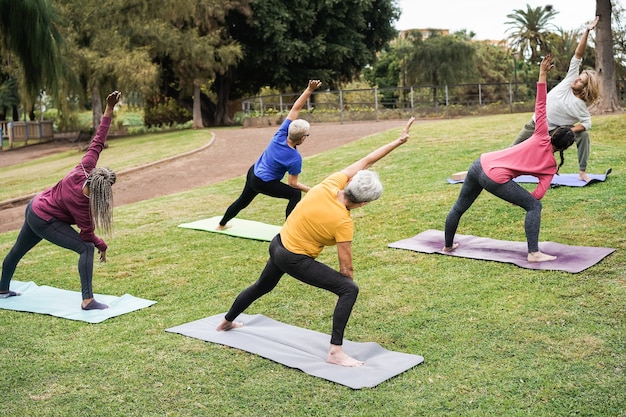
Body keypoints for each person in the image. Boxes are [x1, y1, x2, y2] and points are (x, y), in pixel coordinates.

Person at [216, 117, 416, 367]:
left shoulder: (329, 184)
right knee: (349, 289)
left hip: (278, 243)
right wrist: (345, 288)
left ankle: (227, 321)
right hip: (294, 258)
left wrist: (398, 141)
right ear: (363, 203)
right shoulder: (344, 222)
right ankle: (335, 352)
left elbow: (367, 160)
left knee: (262, 286)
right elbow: (346, 269)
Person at [443, 54, 575, 263]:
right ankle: (533, 253)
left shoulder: (541, 133)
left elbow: (541, 103)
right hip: (495, 177)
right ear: (565, 148)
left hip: (480, 163)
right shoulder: (550, 167)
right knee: (533, 207)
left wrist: (542, 73)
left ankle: (448, 246)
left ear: (553, 133)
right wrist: (523, 199)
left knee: (460, 207)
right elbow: (538, 194)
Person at [0, 91, 122, 310]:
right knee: (86, 248)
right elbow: (87, 235)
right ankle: (88, 300)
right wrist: (101, 245)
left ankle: (2, 288)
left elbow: (98, 140)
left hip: (35, 206)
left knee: (17, 250)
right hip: (45, 219)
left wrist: (109, 108)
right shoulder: (83, 206)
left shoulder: (85, 167)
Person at [217, 80, 323, 230]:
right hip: (264, 182)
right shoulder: (295, 158)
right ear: (303, 138)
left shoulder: (281, 133)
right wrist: (312, 190)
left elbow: (295, 108)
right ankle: (289, 231)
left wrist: (309, 89)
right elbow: (293, 183)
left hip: (253, 172)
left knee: (242, 201)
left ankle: (221, 225)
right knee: (294, 194)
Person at [511, 17, 600, 182]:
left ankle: (582, 172)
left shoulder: (579, 105)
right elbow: (578, 55)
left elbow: (587, 123)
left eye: (580, 81)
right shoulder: (569, 80)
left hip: (551, 132)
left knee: (584, 135)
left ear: (586, 88)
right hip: (534, 124)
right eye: (578, 77)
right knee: (511, 151)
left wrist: (568, 132)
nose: (576, 80)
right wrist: (587, 31)